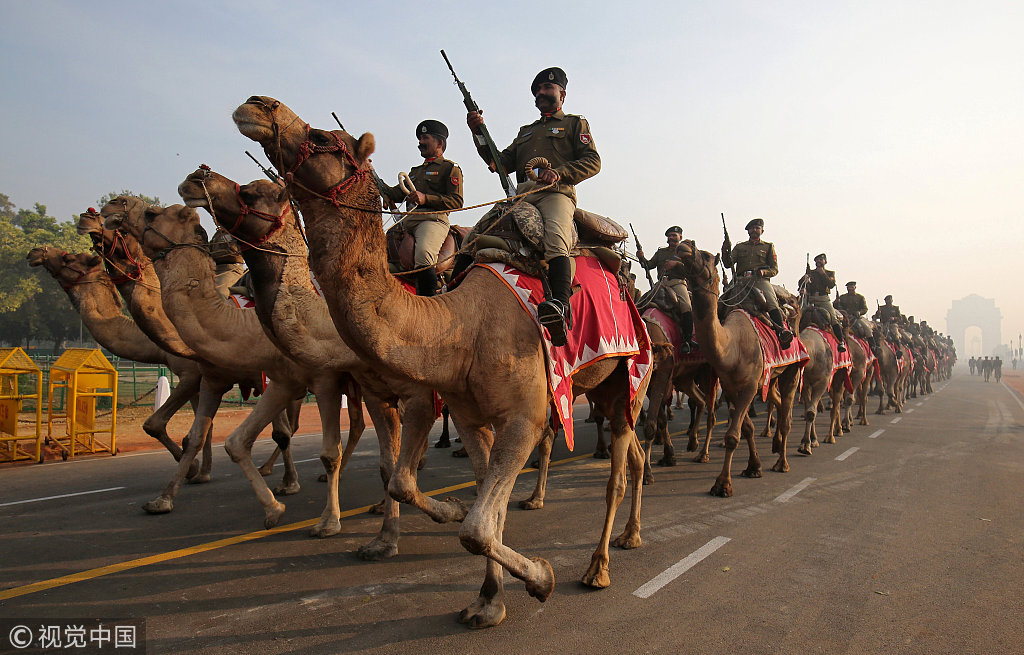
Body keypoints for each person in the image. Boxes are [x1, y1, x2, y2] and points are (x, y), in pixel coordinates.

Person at [466, 66, 601, 346]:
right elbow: (499, 164)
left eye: (547, 89)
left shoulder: (575, 124)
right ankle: (447, 294)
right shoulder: (526, 132)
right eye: (537, 90)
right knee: (472, 238)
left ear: (562, 94)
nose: (541, 93)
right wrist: (479, 133)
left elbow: (593, 162)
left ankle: (560, 305)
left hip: (555, 193)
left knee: (555, 238)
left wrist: (560, 173)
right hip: (522, 196)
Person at [381, 120, 464, 296]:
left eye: (425, 138)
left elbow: (456, 201)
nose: (420, 142)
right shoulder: (415, 171)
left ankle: (427, 303)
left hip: (431, 221)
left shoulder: (449, 168)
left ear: (439, 143)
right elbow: (395, 193)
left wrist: (425, 198)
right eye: (419, 138)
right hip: (407, 222)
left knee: (424, 255)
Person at [721, 218, 793, 345]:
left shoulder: (768, 247)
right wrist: (725, 250)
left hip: (759, 280)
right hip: (740, 281)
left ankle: (781, 332)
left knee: (771, 302)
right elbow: (728, 264)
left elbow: (775, 269)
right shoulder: (740, 247)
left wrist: (764, 272)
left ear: (762, 230)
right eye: (752, 228)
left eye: (757, 228)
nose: (754, 230)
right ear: (748, 231)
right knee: (721, 302)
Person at [637, 226, 697, 352]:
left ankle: (687, 340)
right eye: (669, 236)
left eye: (674, 235)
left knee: (686, 306)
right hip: (661, 284)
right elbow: (648, 265)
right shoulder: (661, 252)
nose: (671, 238)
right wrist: (641, 258)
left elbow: (691, 270)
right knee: (640, 303)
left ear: (680, 237)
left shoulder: (685, 252)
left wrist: (677, 264)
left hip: (677, 283)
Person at [801, 253, 846, 351]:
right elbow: (801, 284)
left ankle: (840, 342)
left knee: (833, 319)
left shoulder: (830, 273)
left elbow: (831, 285)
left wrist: (823, 273)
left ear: (825, 262)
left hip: (823, 299)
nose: (819, 261)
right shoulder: (811, 273)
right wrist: (804, 278)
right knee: (799, 315)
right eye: (817, 260)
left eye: (821, 260)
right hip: (811, 299)